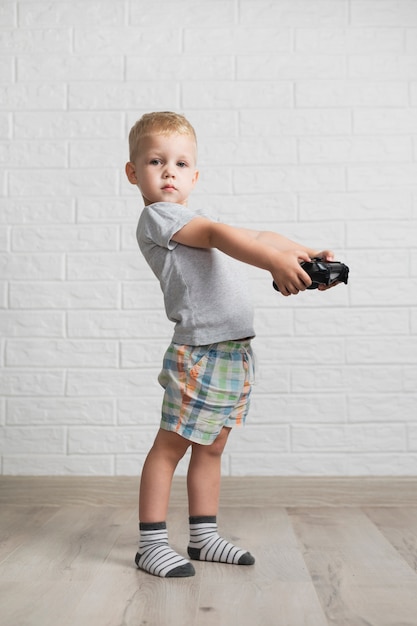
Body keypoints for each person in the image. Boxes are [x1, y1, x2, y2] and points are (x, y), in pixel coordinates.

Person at [125, 111, 337, 578]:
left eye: (181, 164)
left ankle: (202, 536)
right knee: (172, 446)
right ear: (133, 172)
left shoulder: (192, 216)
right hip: (200, 354)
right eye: (156, 161)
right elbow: (224, 237)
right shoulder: (158, 219)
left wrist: (300, 254)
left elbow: (257, 236)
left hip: (234, 351)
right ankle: (151, 543)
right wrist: (271, 265)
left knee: (213, 446)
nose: (168, 172)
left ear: (194, 176)